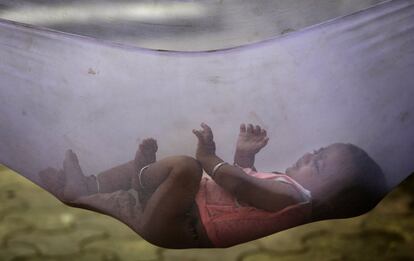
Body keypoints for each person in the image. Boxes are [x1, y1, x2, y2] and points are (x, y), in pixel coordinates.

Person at [39, 123, 388, 248]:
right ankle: (89, 185)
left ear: (328, 204)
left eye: (319, 163)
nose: (310, 155)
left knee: (186, 167)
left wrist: (209, 157)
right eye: (318, 151)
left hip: (179, 226)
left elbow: (236, 185)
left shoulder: (296, 198)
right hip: (181, 211)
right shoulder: (282, 194)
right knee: (142, 187)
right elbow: (245, 190)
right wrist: (243, 157)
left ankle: (120, 182)